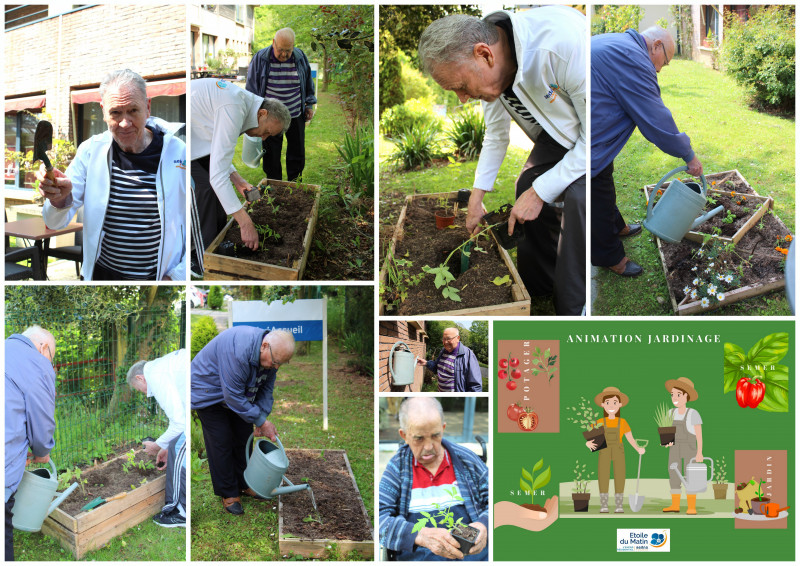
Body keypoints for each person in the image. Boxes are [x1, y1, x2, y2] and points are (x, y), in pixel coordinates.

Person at [418, 7, 586, 315]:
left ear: (484, 54)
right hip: (559, 132)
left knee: (578, 197)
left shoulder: (562, 46)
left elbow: (596, 138)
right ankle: (537, 284)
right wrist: (477, 196)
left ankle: (574, 307)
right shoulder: (493, 77)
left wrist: (540, 194)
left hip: (598, 128)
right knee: (526, 182)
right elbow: (496, 136)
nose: (463, 98)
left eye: (460, 86)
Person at [38, 69, 186, 281]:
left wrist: (176, 277)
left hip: (157, 281)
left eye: (133, 110)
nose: (125, 123)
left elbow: (195, 231)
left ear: (147, 107)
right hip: (102, 278)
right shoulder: (90, 151)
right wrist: (60, 199)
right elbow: (53, 223)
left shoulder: (179, 154)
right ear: (103, 112)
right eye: (116, 112)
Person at [591, 27, 704, 277]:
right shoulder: (633, 59)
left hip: (593, 131)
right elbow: (657, 122)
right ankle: (609, 256)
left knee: (603, 176)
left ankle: (616, 225)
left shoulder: (621, 44)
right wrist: (688, 155)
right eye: (663, 63)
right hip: (586, 139)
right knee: (595, 191)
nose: (658, 70)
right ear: (655, 46)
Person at [190, 78, 291, 274]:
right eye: (267, 131)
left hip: (200, 139)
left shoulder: (245, 105)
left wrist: (238, 180)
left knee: (217, 189)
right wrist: (245, 224)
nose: (263, 138)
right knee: (206, 189)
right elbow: (217, 175)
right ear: (262, 114)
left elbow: (219, 153)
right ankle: (199, 256)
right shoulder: (234, 108)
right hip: (185, 139)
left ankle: (215, 244)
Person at [191, 327, 295, 515]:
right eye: (275, 361)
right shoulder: (238, 351)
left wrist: (260, 418)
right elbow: (232, 396)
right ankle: (229, 492)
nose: (276, 367)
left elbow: (266, 390)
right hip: (207, 392)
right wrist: (262, 422)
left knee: (242, 435)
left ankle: (245, 483)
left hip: (235, 394)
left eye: (281, 363)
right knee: (221, 439)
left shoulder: (271, 356)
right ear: (264, 346)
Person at [379, 397, 488, 561]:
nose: (429, 447)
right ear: (404, 436)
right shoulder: (397, 469)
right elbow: (380, 521)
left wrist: (484, 525)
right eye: (419, 438)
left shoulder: (468, 461)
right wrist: (420, 535)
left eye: (435, 435)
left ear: (443, 429)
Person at [5, 326, 57, 561]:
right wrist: (42, 451)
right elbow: (42, 416)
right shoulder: (36, 361)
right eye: (51, 357)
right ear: (43, 347)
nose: (50, 364)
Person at [127, 349, 188, 528]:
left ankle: (180, 513)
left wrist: (157, 446)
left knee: (180, 455)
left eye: (139, 390)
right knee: (176, 448)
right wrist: (166, 447)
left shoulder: (156, 376)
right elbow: (180, 417)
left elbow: (179, 423)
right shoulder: (163, 367)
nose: (144, 393)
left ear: (140, 378)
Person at [246, 28, 317, 182]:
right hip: (271, 117)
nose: (284, 54)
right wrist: (254, 113)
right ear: (273, 43)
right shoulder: (260, 58)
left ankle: (295, 184)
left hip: (295, 113)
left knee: (297, 153)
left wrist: (309, 104)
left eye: (288, 51)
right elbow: (251, 88)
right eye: (280, 50)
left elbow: (307, 83)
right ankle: (274, 185)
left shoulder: (300, 57)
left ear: (293, 47)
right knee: (271, 154)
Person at [585, 387, 645, 513]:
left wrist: (638, 449)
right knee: (603, 476)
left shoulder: (623, 422)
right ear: (602, 405)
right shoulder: (599, 422)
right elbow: (591, 437)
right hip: (604, 451)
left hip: (619, 451)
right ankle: (604, 505)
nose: (611, 405)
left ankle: (619, 505)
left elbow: (630, 438)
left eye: (614, 402)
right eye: (607, 403)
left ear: (620, 404)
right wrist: (588, 443)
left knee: (620, 476)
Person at [662, 377, 703, 515]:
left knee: (691, 475)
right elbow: (668, 433)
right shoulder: (670, 413)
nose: (674, 397)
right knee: (673, 474)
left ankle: (691, 506)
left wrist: (699, 452)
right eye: (672, 394)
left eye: (678, 394)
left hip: (690, 448)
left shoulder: (693, 414)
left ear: (686, 396)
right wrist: (667, 442)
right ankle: (675, 505)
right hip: (674, 449)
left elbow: (699, 435)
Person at [417, 327, 482, 392]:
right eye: (444, 339)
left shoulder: (468, 355)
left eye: (448, 339)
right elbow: (437, 368)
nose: (445, 342)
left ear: (458, 338)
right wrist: (426, 363)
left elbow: (476, 387)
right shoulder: (443, 351)